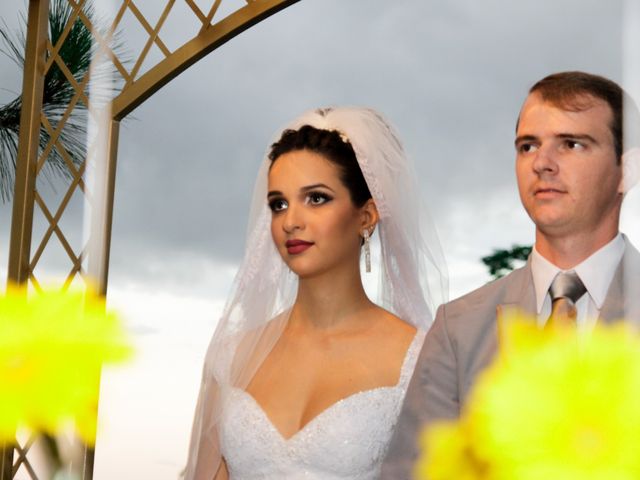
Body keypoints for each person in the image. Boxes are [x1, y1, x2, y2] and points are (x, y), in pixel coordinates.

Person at [381, 71, 640, 478]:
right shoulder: (457, 328)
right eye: (528, 146)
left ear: (627, 170)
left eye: (571, 144)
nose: (542, 163)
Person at [184, 107, 447, 480]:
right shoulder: (231, 358)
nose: (291, 221)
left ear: (366, 216)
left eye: (316, 198)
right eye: (279, 204)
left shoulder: (418, 359)